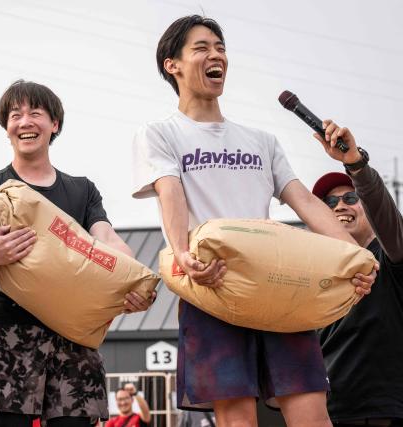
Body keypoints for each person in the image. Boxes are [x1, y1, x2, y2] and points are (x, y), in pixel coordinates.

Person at [131, 15, 375, 427]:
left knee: (311, 412)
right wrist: (183, 253)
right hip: (212, 282)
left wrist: (356, 259)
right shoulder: (160, 133)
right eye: (203, 47)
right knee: (237, 419)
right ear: (172, 64)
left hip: (280, 286)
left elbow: (307, 205)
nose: (216, 55)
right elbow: (170, 192)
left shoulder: (262, 140)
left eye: (221, 47)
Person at [0, 79, 155, 427]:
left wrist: (136, 282)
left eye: (35, 113)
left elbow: (107, 239)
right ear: (6, 128)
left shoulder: (82, 190)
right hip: (10, 328)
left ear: (54, 124)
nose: (25, 122)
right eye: (15, 115)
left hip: (73, 330)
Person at [312, 121, 403, 426]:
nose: (340, 205)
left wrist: (355, 164)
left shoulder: (390, 255)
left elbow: (386, 216)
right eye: (329, 202)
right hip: (327, 413)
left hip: (383, 411)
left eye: (350, 198)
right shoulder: (311, 271)